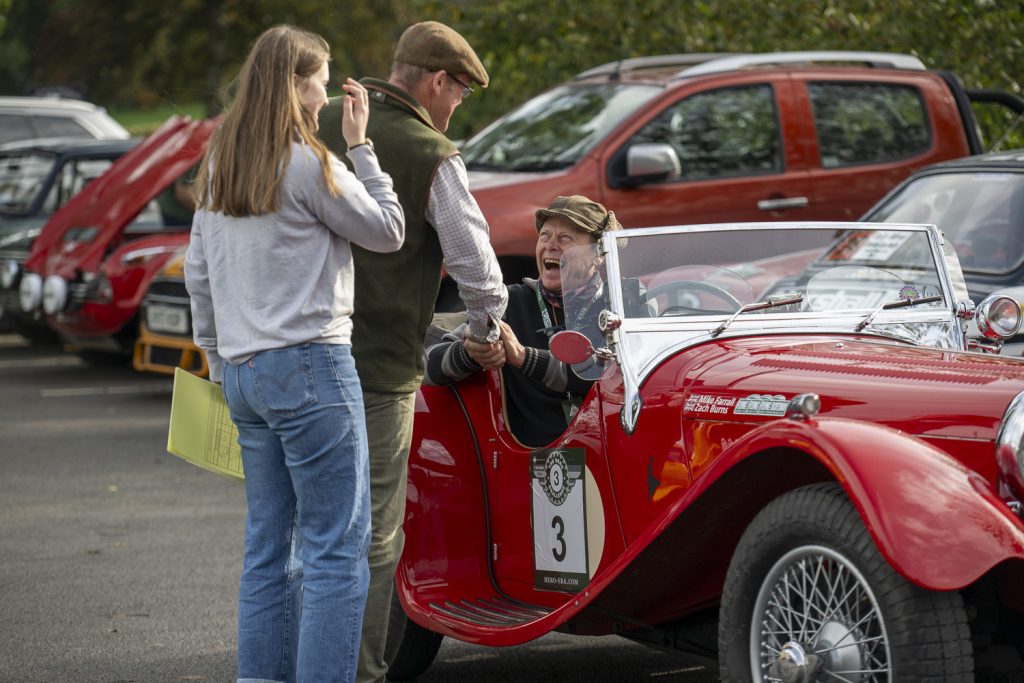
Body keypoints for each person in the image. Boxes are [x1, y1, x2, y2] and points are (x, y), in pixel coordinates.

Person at [183, 25, 405, 683]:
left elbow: (198, 273)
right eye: (321, 78)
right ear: (295, 83)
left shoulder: (222, 165)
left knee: (267, 550)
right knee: (337, 550)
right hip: (311, 366)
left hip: (247, 373)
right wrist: (362, 146)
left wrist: (220, 361)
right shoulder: (312, 163)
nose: (329, 93)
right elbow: (387, 231)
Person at [315, 20, 508, 683]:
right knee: (370, 535)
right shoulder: (430, 151)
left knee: (294, 532)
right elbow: (477, 267)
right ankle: (360, 674)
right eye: (457, 95)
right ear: (436, 81)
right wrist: (484, 334)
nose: (455, 110)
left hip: (288, 353)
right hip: (374, 368)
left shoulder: (315, 118)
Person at [425, 195, 621, 447]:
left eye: (565, 238)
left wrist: (524, 357)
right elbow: (425, 367)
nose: (551, 245)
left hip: (609, 451)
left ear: (598, 254)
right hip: (530, 460)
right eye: (545, 236)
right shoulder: (509, 303)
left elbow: (612, 374)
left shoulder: (621, 303)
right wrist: (471, 353)